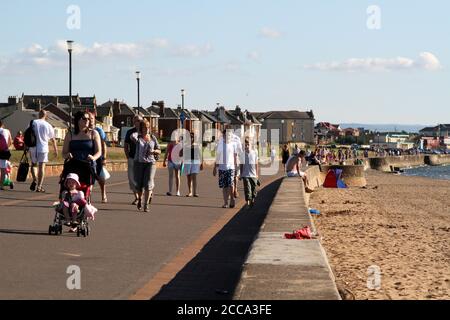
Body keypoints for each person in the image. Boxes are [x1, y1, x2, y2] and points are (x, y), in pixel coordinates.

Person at [62, 111, 102, 184]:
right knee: (73, 191)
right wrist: (67, 155)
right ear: (77, 120)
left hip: (88, 165)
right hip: (73, 166)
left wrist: (93, 158)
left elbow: (99, 152)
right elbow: (63, 153)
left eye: (88, 119)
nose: (87, 120)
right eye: (84, 118)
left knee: (86, 191)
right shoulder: (70, 134)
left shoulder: (94, 133)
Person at [131, 119, 161, 213]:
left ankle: (146, 204)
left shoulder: (153, 138)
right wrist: (139, 128)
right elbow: (132, 136)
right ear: (141, 128)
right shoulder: (138, 137)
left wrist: (154, 151)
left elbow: (159, 150)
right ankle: (140, 199)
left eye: (148, 127)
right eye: (145, 127)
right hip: (139, 163)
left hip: (150, 163)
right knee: (139, 185)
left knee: (148, 183)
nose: (147, 129)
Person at [29, 110, 58, 193]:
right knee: (42, 167)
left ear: (39, 115)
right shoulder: (48, 125)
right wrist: (55, 149)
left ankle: (34, 179)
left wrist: (25, 147)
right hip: (43, 148)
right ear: (46, 116)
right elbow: (53, 139)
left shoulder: (33, 122)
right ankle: (39, 186)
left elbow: (27, 134)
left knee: (33, 164)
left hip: (33, 147)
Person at [213, 129, 238, 209]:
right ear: (223, 136)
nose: (227, 136)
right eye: (225, 135)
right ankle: (225, 202)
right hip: (222, 168)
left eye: (228, 135)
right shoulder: (220, 145)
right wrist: (215, 167)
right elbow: (218, 157)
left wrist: (236, 166)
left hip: (231, 167)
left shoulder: (233, 144)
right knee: (224, 186)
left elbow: (235, 156)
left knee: (231, 184)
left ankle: (232, 199)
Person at [88, 112, 108, 203]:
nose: (90, 120)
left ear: (94, 119)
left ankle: (103, 193)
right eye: (88, 119)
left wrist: (104, 158)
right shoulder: (83, 131)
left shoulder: (99, 131)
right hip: (87, 157)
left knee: (100, 178)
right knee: (89, 177)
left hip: (98, 156)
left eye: (91, 118)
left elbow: (104, 145)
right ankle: (88, 197)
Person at [124, 115, 143, 205]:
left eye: (139, 120)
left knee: (141, 179)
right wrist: (128, 156)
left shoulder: (145, 132)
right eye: (135, 121)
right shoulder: (129, 132)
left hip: (143, 159)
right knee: (132, 180)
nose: (137, 122)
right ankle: (137, 197)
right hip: (132, 158)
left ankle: (143, 196)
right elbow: (126, 145)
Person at [183, 132, 204, 197]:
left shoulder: (197, 145)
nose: (191, 138)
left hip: (195, 162)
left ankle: (195, 192)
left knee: (194, 177)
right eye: (190, 137)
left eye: (192, 137)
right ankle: (190, 192)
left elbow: (200, 155)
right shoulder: (185, 145)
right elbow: (181, 154)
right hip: (187, 161)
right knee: (189, 178)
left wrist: (202, 163)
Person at [239, 138, 259, 208]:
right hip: (245, 174)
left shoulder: (255, 152)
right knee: (247, 188)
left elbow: (256, 164)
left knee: (253, 189)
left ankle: (252, 200)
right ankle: (247, 202)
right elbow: (241, 164)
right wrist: (241, 174)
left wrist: (257, 174)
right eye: (245, 145)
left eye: (248, 144)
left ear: (251, 145)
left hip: (253, 174)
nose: (247, 146)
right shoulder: (242, 154)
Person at [0, 121, 12, 191]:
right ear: (2, 124)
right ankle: (1, 185)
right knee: (3, 168)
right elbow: (10, 141)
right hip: (4, 152)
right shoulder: (7, 131)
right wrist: (6, 147)